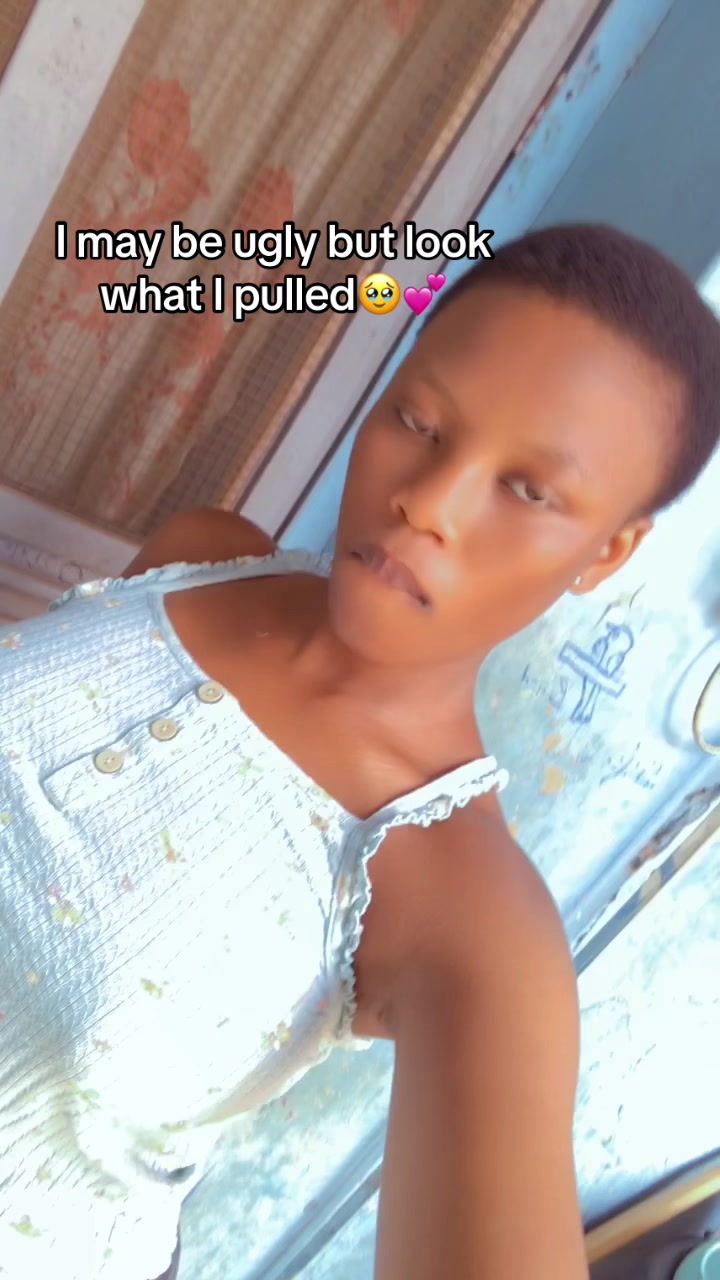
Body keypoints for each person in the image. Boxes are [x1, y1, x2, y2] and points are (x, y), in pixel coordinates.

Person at [1, 223, 719, 1280]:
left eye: (527, 489)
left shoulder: (464, 914)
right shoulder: (201, 555)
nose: (427, 500)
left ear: (605, 550)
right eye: (418, 420)